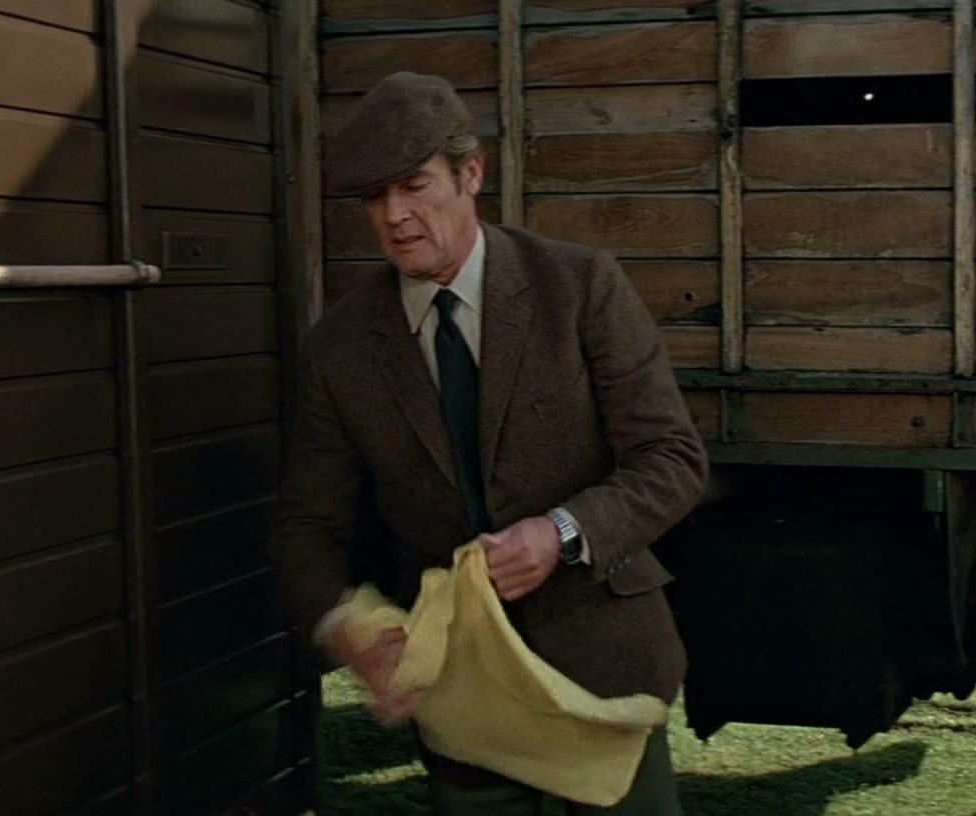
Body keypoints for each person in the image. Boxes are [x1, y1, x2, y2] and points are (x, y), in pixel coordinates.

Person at [273, 70, 708, 814]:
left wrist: (560, 533)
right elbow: (307, 524)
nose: (395, 216)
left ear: (471, 174)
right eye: (375, 197)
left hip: (602, 673)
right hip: (460, 699)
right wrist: (343, 626)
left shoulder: (580, 287)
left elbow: (672, 459)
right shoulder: (338, 349)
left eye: (414, 186)